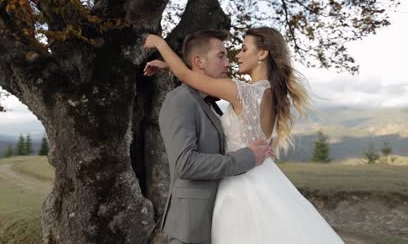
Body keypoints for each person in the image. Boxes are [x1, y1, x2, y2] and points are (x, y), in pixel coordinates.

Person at [144, 27, 344, 243]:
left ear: (262, 53)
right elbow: (192, 79)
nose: (235, 57)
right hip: (265, 181)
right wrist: (170, 67)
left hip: (241, 187)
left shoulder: (242, 92)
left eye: (243, 49)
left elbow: (187, 75)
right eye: (223, 55)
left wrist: (160, 44)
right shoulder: (269, 93)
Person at [152, 30, 274, 244]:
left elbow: (189, 75)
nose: (229, 63)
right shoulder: (180, 100)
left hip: (223, 217)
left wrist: (173, 66)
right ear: (198, 61)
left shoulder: (215, 103)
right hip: (191, 227)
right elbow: (186, 164)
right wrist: (247, 157)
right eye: (221, 56)